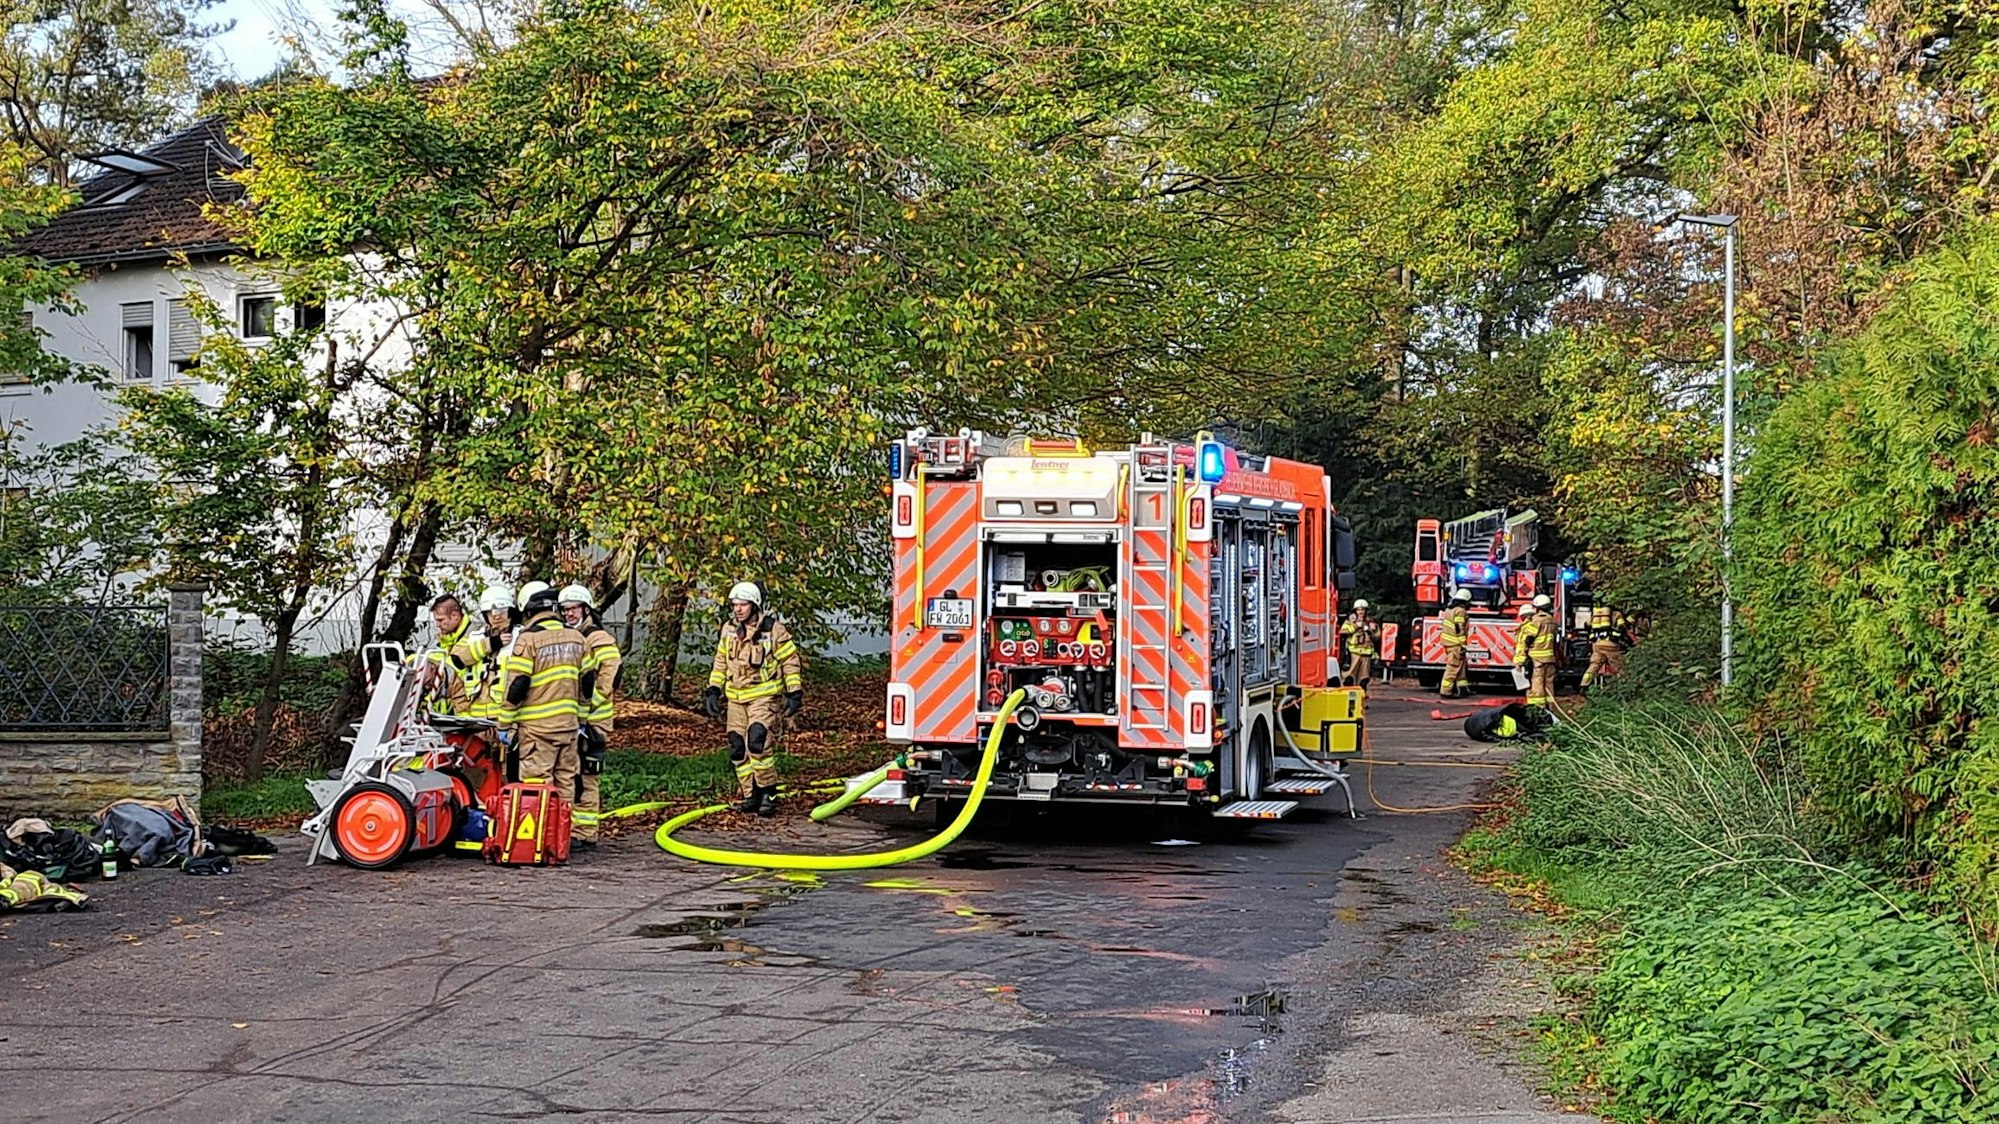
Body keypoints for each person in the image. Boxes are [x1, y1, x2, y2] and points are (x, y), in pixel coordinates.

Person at [702, 581, 804, 817]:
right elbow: (720, 661)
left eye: (743, 604)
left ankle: (768, 791)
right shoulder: (729, 630)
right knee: (738, 747)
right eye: (734, 605)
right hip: (736, 698)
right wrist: (713, 689)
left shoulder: (773, 630)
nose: (737, 609)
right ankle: (750, 795)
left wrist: (794, 693)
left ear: (754, 605)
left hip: (764, 697)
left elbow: (790, 661)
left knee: (757, 743)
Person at [500, 582, 587, 816]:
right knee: (566, 782)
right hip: (568, 728)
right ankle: (560, 838)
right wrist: (582, 719)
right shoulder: (577, 638)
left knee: (538, 785)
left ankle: (539, 840)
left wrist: (504, 723)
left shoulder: (528, 639)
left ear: (527, 611)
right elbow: (587, 683)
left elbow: (517, 685)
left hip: (538, 731)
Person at [559, 585, 623, 848]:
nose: (569, 614)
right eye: (564, 610)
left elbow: (611, 674)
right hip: (576, 718)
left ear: (586, 609)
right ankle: (575, 828)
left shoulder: (598, 638)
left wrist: (590, 705)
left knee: (587, 773)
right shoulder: (568, 637)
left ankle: (585, 832)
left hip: (594, 720)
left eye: (573, 609)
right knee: (572, 773)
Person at [420, 593, 473, 713]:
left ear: (455, 616)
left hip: (471, 707)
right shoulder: (444, 641)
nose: (437, 625)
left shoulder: (473, 636)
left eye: (440, 620)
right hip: (448, 713)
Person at [1520, 593, 1559, 710]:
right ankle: (1550, 708)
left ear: (1537, 607)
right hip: (1550, 657)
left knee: (1537, 683)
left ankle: (1538, 709)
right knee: (1549, 684)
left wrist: (1525, 650)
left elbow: (1529, 637)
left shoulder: (1536, 620)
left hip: (1537, 658)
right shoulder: (1553, 620)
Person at [1437, 588, 1472, 698]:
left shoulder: (1449, 610)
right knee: (1452, 668)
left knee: (1460, 668)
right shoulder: (1460, 611)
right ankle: (1445, 691)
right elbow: (1459, 628)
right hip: (1456, 644)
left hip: (1449, 643)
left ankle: (1463, 689)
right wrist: (1463, 644)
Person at [1340, 599, 1380, 690]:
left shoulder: (1371, 622)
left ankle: (1361, 702)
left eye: (1362, 609)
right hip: (1354, 653)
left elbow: (1377, 636)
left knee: (1363, 681)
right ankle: (1347, 701)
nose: (1361, 612)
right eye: (1358, 609)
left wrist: (1371, 629)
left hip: (1366, 654)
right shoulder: (1350, 621)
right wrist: (1355, 626)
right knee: (1348, 679)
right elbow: (1343, 631)